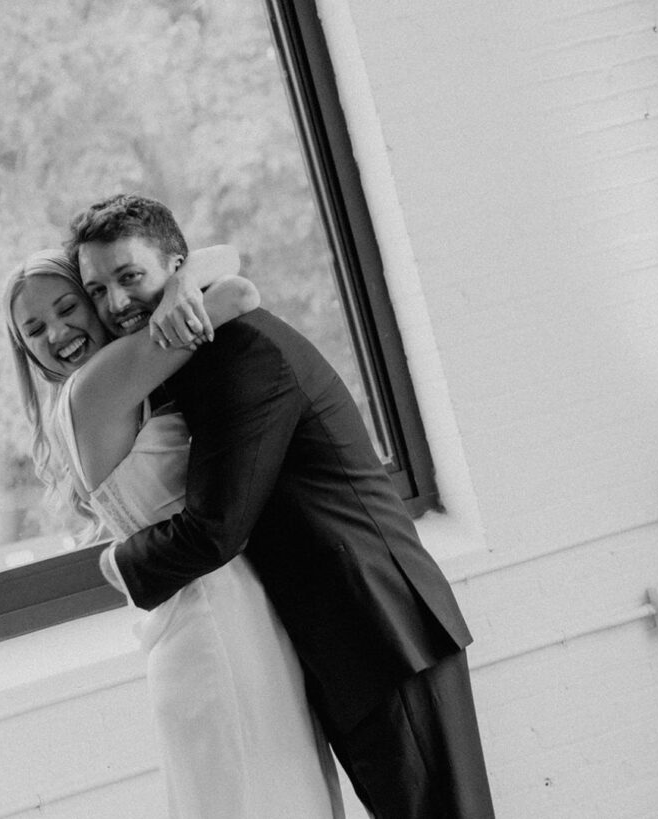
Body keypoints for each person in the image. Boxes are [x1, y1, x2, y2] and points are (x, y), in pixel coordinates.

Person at [71, 193, 496, 819]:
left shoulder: (236, 353)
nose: (114, 304)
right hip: (348, 636)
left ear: (175, 267)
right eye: (97, 289)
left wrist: (116, 566)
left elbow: (216, 531)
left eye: (129, 277)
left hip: (380, 629)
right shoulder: (194, 352)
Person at [4, 247, 346, 819]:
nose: (57, 333)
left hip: (213, 619)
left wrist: (180, 275)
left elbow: (223, 259)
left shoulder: (116, 383)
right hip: (219, 627)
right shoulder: (97, 384)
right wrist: (184, 282)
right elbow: (236, 293)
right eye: (35, 330)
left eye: (68, 308)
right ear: (27, 353)